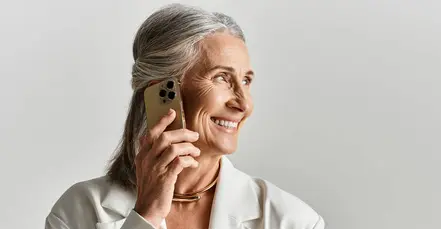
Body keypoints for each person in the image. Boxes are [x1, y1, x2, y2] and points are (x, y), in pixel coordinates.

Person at [45, 3, 324, 229]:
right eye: (222, 78)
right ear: (163, 90)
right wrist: (146, 216)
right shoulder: (77, 212)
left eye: (246, 81)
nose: (244, 104)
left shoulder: (293, 221)